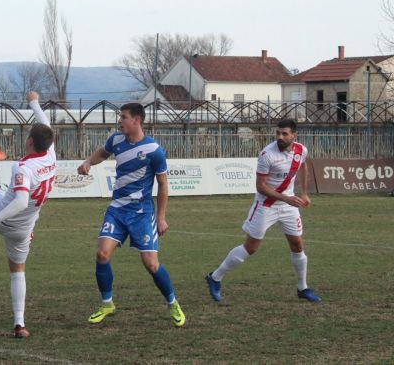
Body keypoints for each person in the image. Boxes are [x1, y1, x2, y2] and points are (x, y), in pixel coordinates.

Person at [77, 103, 185, 327]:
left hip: (142, 213)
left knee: (151, 264)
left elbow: (163, 185)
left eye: (124, 117)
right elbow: (102, 152)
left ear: (137, 120)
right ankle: (107, 303)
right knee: (102, 255)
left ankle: (173, 303)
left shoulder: (154, 150)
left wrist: (162, 217)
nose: (120, 121)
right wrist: (88, 162)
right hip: (117, 209)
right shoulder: (116, 140)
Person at [205, 118, 321, 303]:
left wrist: (304, 193)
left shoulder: (301, 150)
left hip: (288, 206)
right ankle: (215, 277)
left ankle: (303, 288)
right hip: (266, 205)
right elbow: (260, 186)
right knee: (251, 248)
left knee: (298, 245)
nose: (280, 137)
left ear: (294, 135)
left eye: (285, 134)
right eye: (278, 133)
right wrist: (286, 198)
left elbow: (304, 166)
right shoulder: (267, 154)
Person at [0, 90, 56, 339]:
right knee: (17, 270)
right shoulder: (51, 155)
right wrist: (34, 102)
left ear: (30, 141)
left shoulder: (23, 167)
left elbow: (20, 201)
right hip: (24, 229)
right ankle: (20, 324)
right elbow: (46, 124)